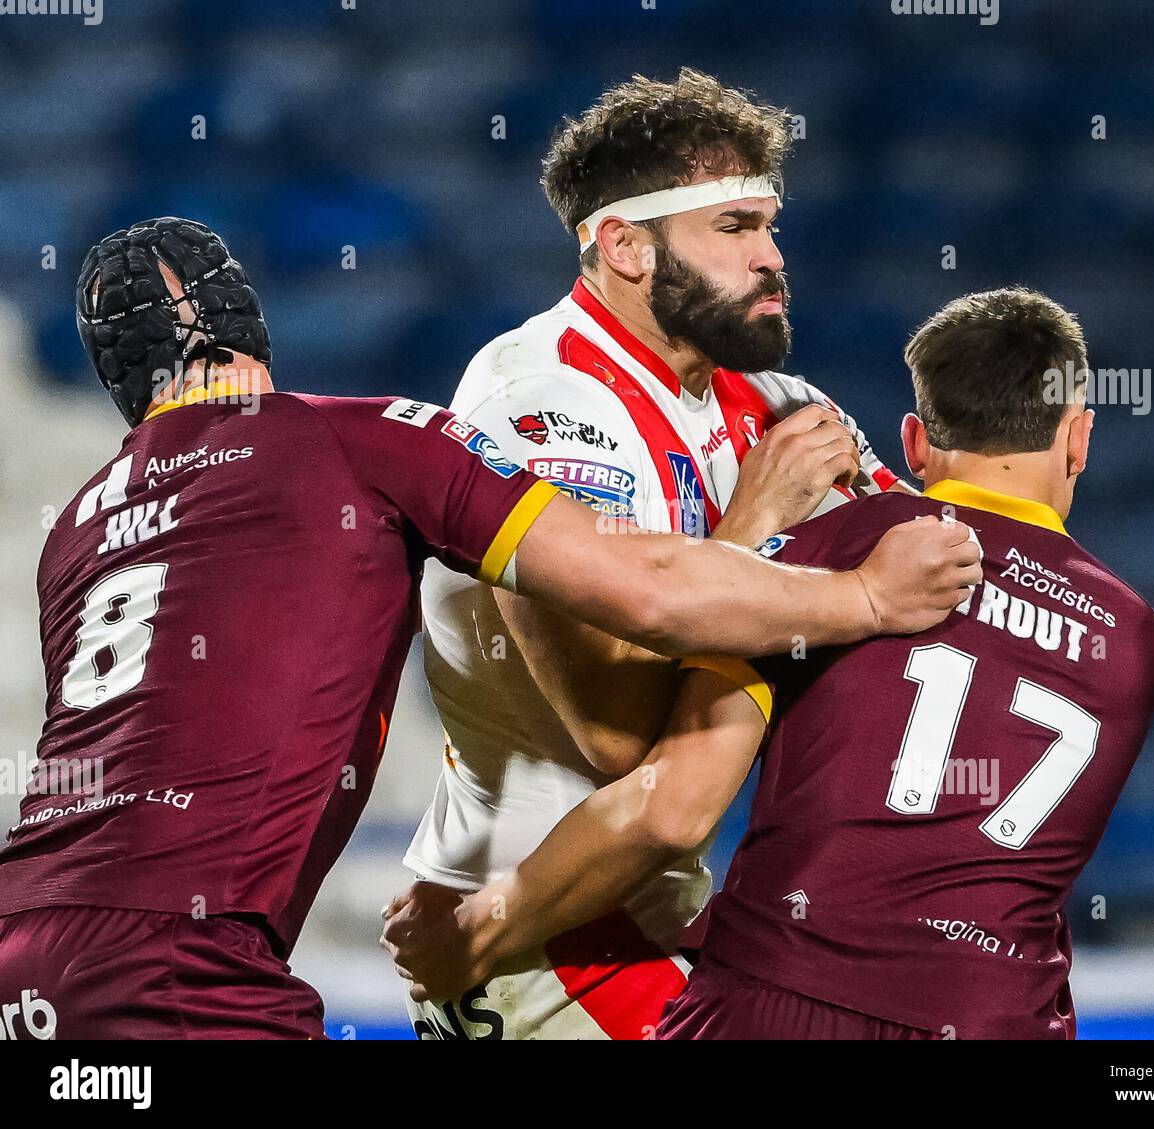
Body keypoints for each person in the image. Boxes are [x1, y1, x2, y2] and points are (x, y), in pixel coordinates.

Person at [0, 217, 980, 1040]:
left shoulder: (76, 529)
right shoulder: (353, 439)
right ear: (247, 323)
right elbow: (642, 589)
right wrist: (861, 595)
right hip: (179, 977)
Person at [385, 287, 1154, 1041]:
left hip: (781, 997)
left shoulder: (819, 553)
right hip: (997, 1009)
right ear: (1079, 437)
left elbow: (669, 807)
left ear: (913, 439)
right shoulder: (1142, 642)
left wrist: (479, 930)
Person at [391, 68, 914, 1041]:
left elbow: (932, 578)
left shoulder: (771, 401)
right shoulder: (536, 403)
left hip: (662, 908)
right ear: (624, 246)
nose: (771, 258)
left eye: (769, 223)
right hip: (533, 941)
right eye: (731, 229)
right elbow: (617, 737)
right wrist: (761, 533)